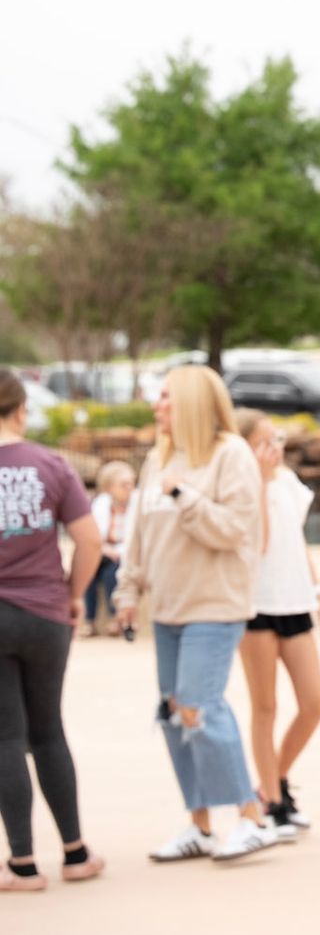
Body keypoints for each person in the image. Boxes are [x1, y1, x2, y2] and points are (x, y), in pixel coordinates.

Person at [112, 366, 277, 863]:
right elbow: (139, 534)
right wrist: (126, 591)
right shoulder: (158, 459)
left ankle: (252, 816)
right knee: (173, 713)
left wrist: (185, 495)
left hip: (215, 603)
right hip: (167, 608)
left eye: (165, 397)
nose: (156, 406)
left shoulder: (231, 455)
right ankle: (201, 824)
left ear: (189, 401)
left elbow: (235, 531)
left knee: (199, 707)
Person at [0, 368, 106, 891]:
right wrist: (72, 594)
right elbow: (89, 539)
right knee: (48, 731)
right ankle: (75, 852)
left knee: (5, 736)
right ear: (21, 409)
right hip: (45, 615)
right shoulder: (50, 464)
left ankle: (22, 864)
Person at [232, 409, 320, 841]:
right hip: (255, 606)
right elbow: (262, 540)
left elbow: (296, 540)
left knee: (314, 703)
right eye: (264, 443)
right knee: (265, 706)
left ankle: (274, 779)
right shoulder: (243, 488)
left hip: (295, 602)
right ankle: (271, 800)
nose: (275, 449)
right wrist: (258, 479)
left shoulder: (288, 484)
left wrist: (319, 591)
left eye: (277, 441)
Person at [83, 461, 135, 637]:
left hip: (125, 553)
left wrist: (117, 551)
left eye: (131, 483)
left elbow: (134, 538)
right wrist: (104, 549)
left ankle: (115, 619)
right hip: (104, 551)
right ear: (110, 487)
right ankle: (89, 621)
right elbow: (95, 535)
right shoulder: (101, 504)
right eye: (123, 484)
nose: (129, 488)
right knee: (88, 571)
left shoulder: (136, 503)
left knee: (111, 573)